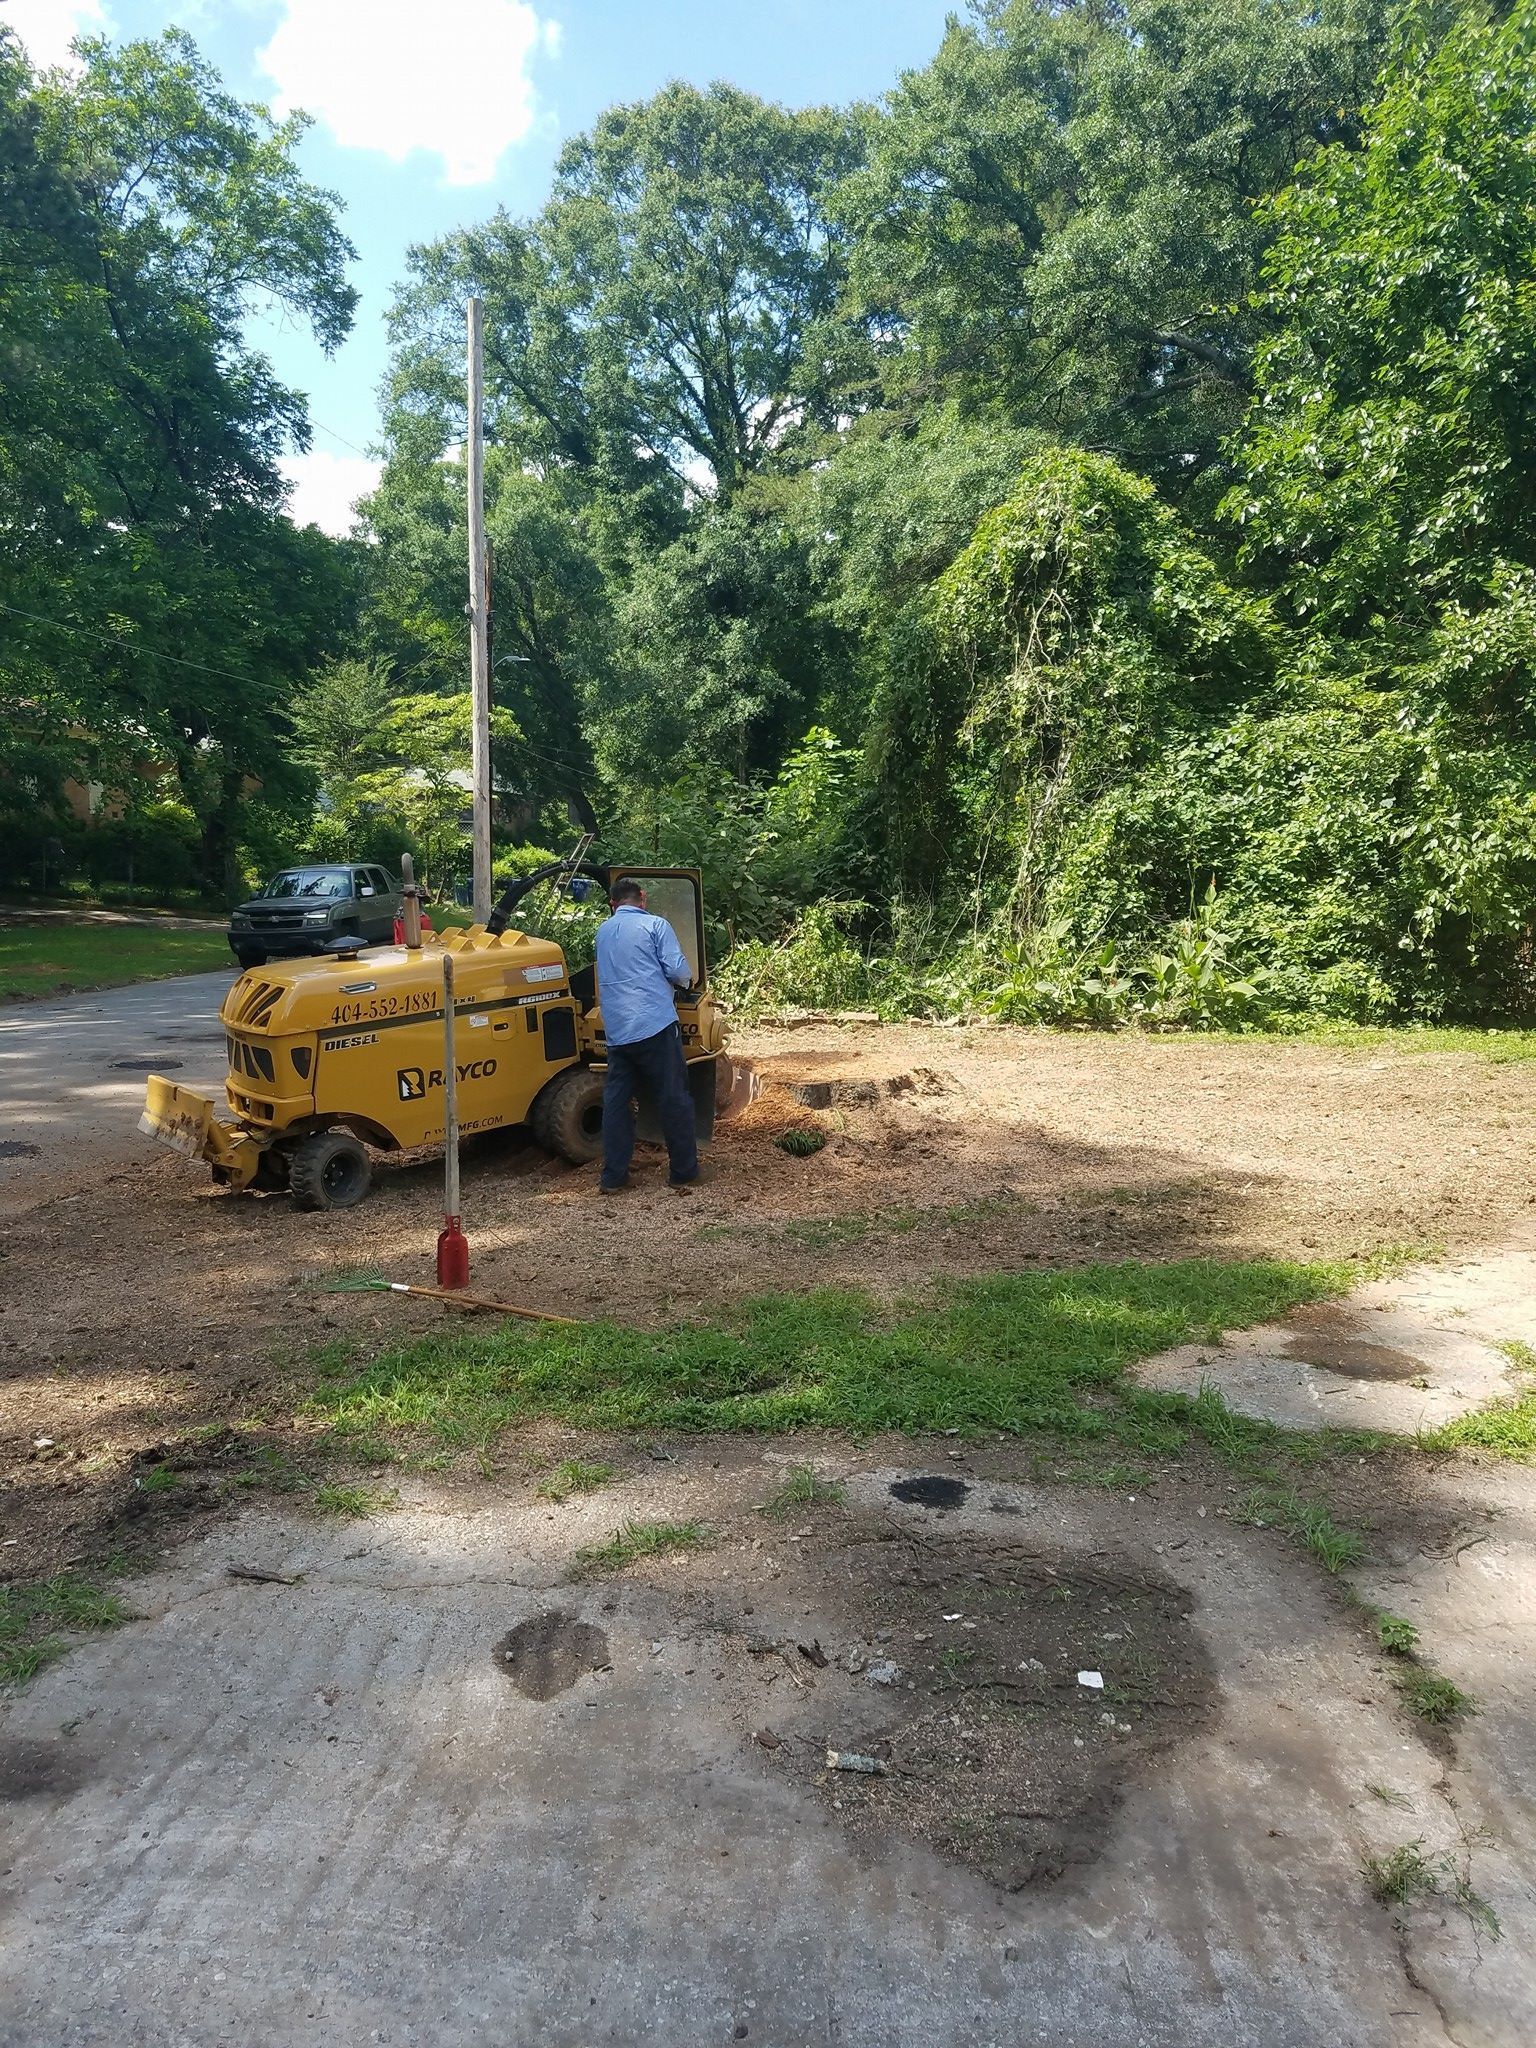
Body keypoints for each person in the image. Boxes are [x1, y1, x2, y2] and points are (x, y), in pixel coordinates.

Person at [593, 877, 700, 1193]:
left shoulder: (602, 931)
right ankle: (683, 1171)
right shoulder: (656, 925)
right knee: (673, 1097)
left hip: (617, 1031)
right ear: (643, 897)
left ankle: (613, 1177)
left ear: (613, 904)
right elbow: (679, 972)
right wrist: (686, 983)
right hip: (654, 1025)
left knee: (616, 1102)